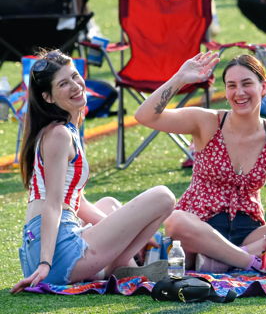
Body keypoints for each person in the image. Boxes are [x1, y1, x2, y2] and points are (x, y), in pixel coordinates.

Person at [134, 52, 266, 274]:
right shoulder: (207, 121)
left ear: (264, 87)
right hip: (200, 228)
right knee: (176, 221)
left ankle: (229, 260)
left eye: (247, 83)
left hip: (250, 232)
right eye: (231, 86)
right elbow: (144, 116)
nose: (239, 92)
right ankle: (254, 260)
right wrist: (180, 78)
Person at [10, 50, 175, 293]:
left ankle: (123, 264)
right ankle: (121, 265)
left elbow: (77, 202)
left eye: (75, 77)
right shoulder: (58, 135)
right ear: (48, 97)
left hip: (48, 248)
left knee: (109, 204)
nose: (76, 86)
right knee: (164, 197)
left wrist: (134, 230)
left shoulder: (64, 128)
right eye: (64, 84)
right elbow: (53, 204)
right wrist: (45, 264)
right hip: (58, 255)